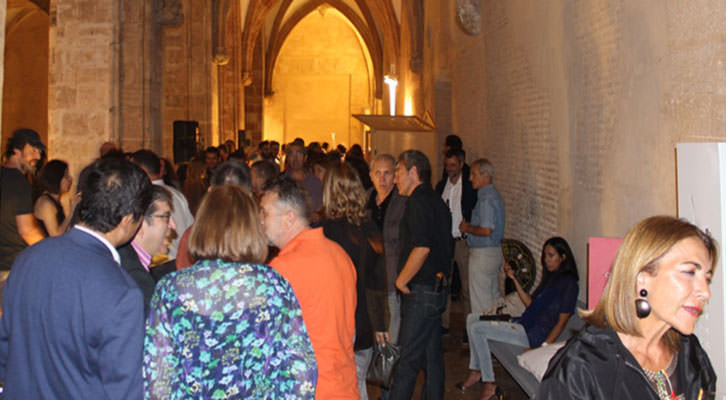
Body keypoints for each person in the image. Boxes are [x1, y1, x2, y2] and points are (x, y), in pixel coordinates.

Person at [144, 185, 317, 399]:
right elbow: (300, 372)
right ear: (251, 228)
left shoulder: (171, 291)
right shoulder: (274, 287)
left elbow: (158, 378)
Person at [0, 157, 152, 399]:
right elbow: (123, 390)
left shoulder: (28, 258)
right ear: (128, 219)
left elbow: (6, 349)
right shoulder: (122, 292)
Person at [538, 216, 717, 399]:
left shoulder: (691, 355)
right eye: (689, 272)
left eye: (707, 279)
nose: (705, 292)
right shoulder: (582, 369)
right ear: (642, 278)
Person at [260, 178, 358, 399]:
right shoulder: (339, 254)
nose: (261, 221)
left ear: (289, 218)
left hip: (309, 389)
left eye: (264, 213)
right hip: (344, 384)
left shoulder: (283, 268)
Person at [457, 237, 579, 399]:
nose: (546, 261)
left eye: (551, 256)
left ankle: (489, 383)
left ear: (563, 257)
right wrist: (513, 279)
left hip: (532, 336)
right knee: (472, 318)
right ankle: (475, 370)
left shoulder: (570, 284)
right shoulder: (551, 279)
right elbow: (531, 305)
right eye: (545, 256)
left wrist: (543, 347)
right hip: (522, 324)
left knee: (477, 328)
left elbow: (562, 321)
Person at [317, 163, 385, 400]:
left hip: (334, 321)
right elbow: (378, 281)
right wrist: (382, 325)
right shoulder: (370, 228)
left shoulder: (321, 232)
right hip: (363, 319)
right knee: (357, 384)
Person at [390, 150, 452, 399]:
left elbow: (422, 247)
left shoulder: (417, 201)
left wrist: (400, 280)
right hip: (435, 290)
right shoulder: (435, 199)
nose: (395, 179)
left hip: (422, 291)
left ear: (413, 172)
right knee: (432, 356)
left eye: (398, 172)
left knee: (407, 362)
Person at [0, 129, 46, 306]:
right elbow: (27, 231)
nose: (37, 155)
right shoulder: (19, 181)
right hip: (10, 268)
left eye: (39, 151)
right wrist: (49, 250)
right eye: (32, 150)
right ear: (16, 151)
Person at [366, 154, 406, 344]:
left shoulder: (403, 201)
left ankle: (389, 368)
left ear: (395, 176)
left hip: (392, 274)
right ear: (371, 175)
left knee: (392, 324)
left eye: (387, 173)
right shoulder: (366, 199)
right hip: (369, 275)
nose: (382, 179)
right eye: (378, 173)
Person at [436, 148, 477, 332]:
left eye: (453, 165)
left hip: (462, 242)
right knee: (444, 283)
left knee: (467, 287)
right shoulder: (441, 185)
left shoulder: (468, 186)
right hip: (445, 241)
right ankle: (444, 324)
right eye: (447, 165)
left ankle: (470, 329)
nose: (450, 168)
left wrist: (469, 224)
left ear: (461, 164)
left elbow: (475, 208)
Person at [118, 186, 175, 314]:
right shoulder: (135, 277)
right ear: (140, 222)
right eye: (165, 217)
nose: (173, 225)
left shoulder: (125, 258)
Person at [460, 158, 505, 313]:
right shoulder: (490, 195)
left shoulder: (487, 198)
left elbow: (486, 230)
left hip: (483, 254)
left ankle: (482, 335)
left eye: (473, 174)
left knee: (481, 304)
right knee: (491, 301)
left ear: (485, 175)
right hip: (492, 252)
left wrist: (467, 228)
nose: (470, 178)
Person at [132, 149, 194, 259]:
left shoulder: (143, 196)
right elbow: (191, 228)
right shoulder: (177, 194)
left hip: (158, 260)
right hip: (180, 258)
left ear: (140, 170)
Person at [34, 159, 76, 237]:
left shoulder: (56, 200)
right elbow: (55, 235)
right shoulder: (46, 203)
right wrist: (71, 213)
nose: (70, 179)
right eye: (66, 176)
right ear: (57, 178)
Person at [282, 141, 323, 213]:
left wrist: (318, 215)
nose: (295, 158)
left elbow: (321, 208)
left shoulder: (315, 182)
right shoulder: (281, 181)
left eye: (299, 153)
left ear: (305, 158)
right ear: (287, 158)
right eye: (291, 154)